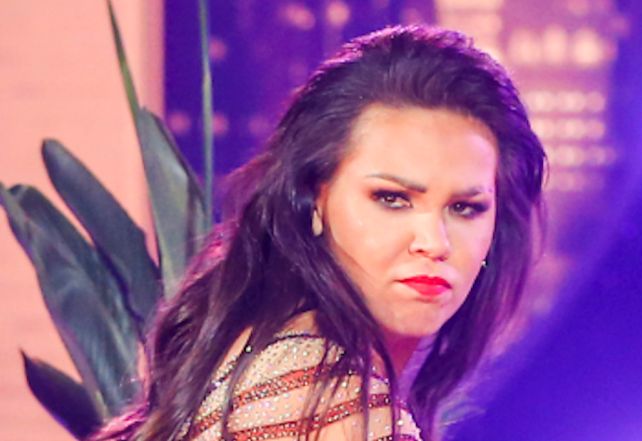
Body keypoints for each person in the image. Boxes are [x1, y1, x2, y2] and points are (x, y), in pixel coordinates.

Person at [92, 24, 545, 441]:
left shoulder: (270, 357)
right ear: (314, 200)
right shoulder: (329, 397)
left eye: (464, 208)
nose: (434, 242)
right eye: (392, 199)